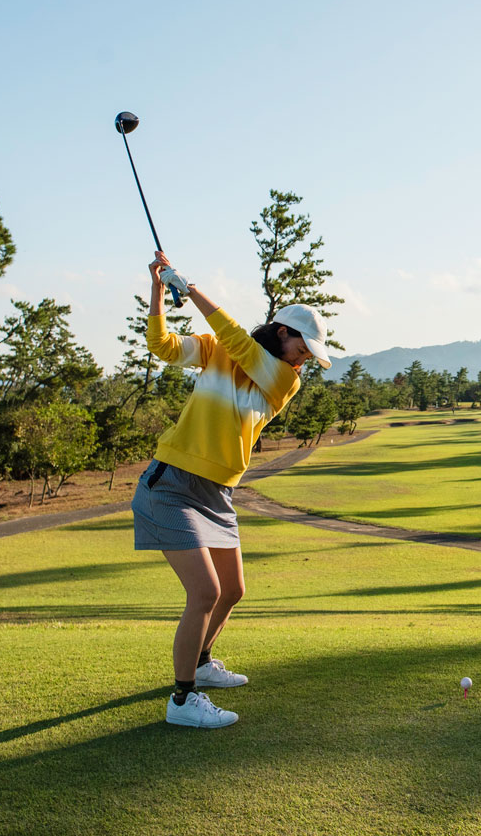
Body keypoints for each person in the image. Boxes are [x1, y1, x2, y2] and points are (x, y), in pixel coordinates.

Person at [131, 251, 332, 729]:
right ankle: (183, 700)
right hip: (173, 483)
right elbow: (162, 345)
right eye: (302, 349)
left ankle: (201, 662)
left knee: (233, 590)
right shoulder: (220, 350)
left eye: (309, 356)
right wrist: (161, 289)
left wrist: (190, 287)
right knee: (205, 592)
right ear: (282, 332)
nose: (304, 360)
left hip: (218, 493)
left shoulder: (283, 380)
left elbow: (239, 343)